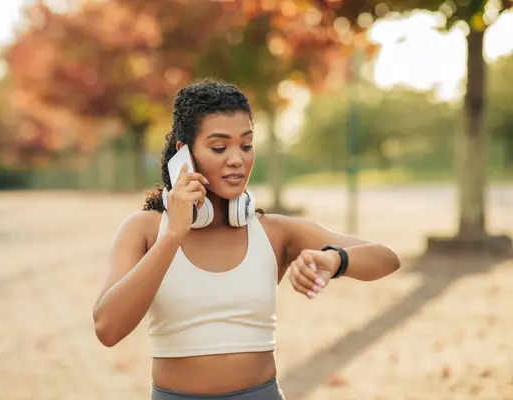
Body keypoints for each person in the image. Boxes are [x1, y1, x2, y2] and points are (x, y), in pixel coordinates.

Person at [92, 79, 401, 399]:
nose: (237, 159)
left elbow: (386, 258)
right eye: (219, 147)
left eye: (246, 144)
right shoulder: (145, 230)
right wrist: (172, 235)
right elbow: (107, 328)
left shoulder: (273, 232)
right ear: (184, 156)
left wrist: (335, 259)